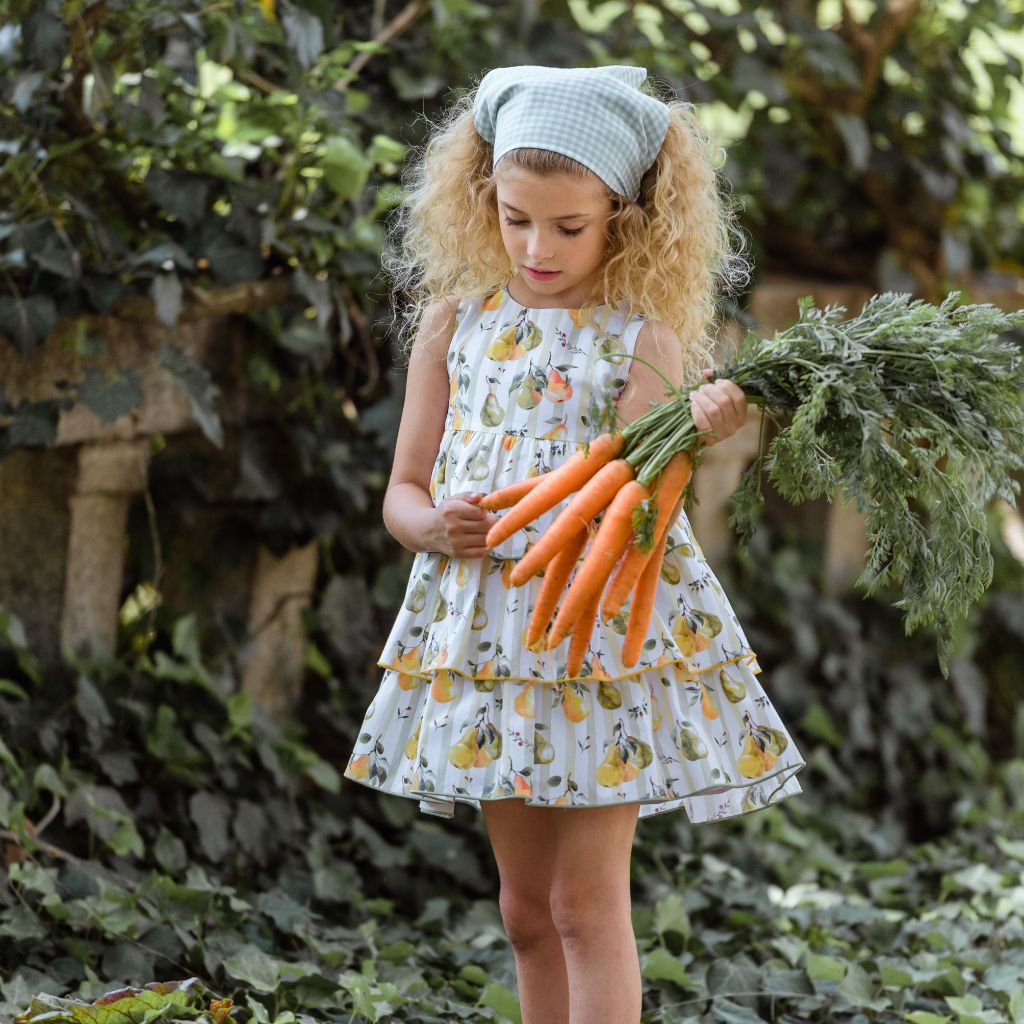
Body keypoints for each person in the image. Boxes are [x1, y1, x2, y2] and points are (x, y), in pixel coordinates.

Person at [344, 64, 807, 1024]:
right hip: (487, 642)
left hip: (600, 638)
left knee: (583, 905)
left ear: (625, 218)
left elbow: (648, 502)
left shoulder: (641, 338)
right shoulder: (454, 323)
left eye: (568, 227)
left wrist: (698, 425)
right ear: (485, 201)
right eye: (516, 219)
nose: (536, 247)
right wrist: (431, 525)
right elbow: (401, 491)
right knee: (521, 911)